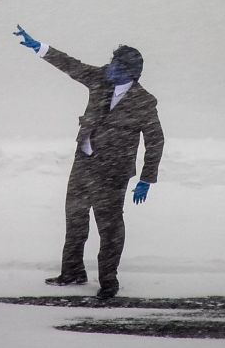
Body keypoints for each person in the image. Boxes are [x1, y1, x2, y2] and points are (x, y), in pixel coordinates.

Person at [13, 25, 164, 300]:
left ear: (129, 72)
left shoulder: (144, 101)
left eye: (116, 65)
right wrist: (40, 47)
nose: (109, 66)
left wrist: (146, 179)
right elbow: (71, 65)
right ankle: (72, 272)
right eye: (111, 61)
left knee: (109, 228)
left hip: (113, 172)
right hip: (83, 164)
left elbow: (155, 141)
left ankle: (109, 282)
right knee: (75, 219)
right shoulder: (99, 79)